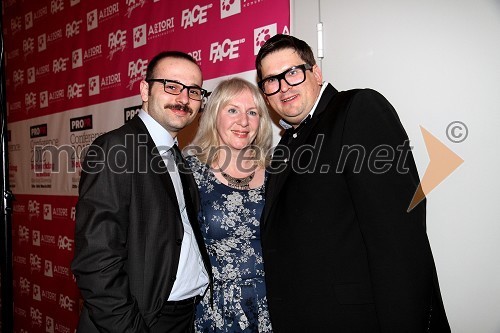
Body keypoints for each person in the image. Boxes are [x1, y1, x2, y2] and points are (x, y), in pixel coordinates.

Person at [255, 34, 450, 332]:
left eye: (292, 73)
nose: (283, 87)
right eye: (271, 80)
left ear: (316, 73)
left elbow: (399, 236)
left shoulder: (357, 109)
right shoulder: (283, 148)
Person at [71, 51, 212, 333]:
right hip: (142, 321)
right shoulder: (116, 148)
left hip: (182, 316)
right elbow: (96, 260)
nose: (183, 99)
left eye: (193, 91)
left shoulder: (176, 156)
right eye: (171, 86)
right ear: (145, 90)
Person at [184, 77, 273, 332]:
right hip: (215, 308)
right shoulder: (190, 173)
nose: (243, 121)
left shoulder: (276, 173)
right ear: (214, 115)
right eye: (232, 110)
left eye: (252, 112)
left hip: (274, 303)